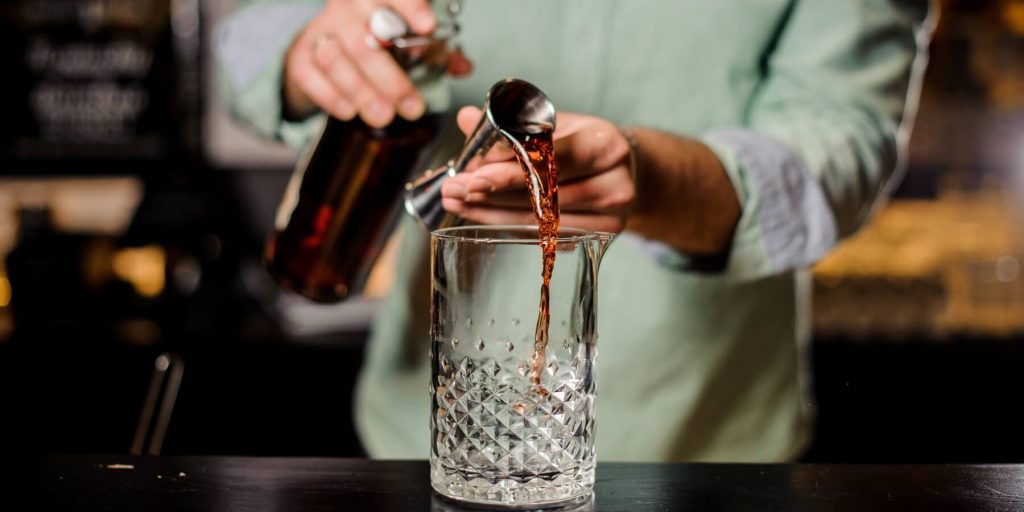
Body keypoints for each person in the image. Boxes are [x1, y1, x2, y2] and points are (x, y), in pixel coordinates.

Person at [216, 0, 934, 462]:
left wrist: (660, 182)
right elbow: (243, 37)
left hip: (704, 448)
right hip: (422, 447)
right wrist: (310, 49)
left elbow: (842, 141)